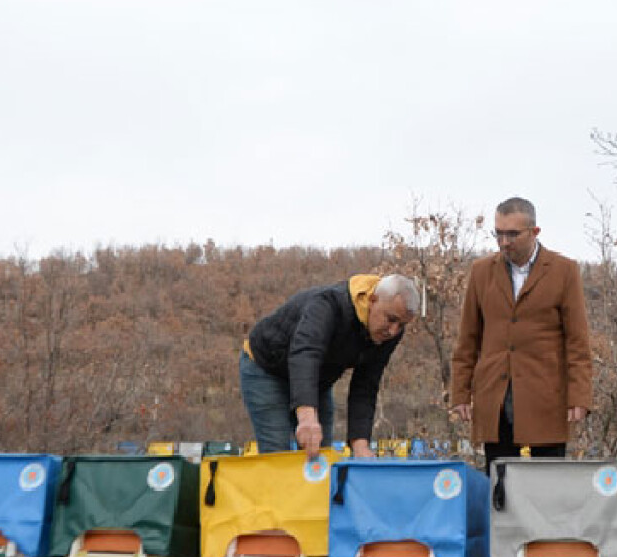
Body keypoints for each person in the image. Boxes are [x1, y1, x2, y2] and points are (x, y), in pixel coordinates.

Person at [450, 197, 592, 470]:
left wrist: (580, 396)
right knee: (501, 484)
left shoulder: (564, 271)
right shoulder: (481, 272)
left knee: (548, 484)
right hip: (495, 396)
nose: (504, 242)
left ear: (534, 232)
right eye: (499, 233)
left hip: (546, 396)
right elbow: (467, 339)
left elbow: (577, 341)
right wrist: (460, 392)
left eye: (512, 234)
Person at [240, 273, 419, 457]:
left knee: (320, 457)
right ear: (372, 300)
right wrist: (307, 416)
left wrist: (360, 444)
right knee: (277, 453)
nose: (393, 330)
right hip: (266, 369)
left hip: (317, 380)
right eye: (391, 319)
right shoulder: (328, 305)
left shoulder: (388, 333)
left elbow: (365, 386)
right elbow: (305, 355)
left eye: (401, 324)